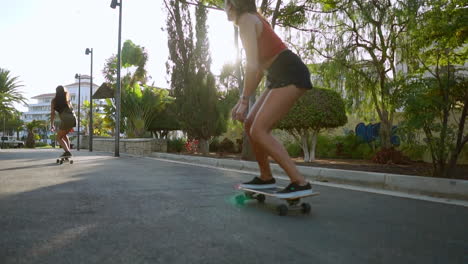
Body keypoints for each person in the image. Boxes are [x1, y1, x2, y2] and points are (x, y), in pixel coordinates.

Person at [225, 0, 314, 198]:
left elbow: (252, 66)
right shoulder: (253, 19)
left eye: (226, 3)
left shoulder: (247, 20)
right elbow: (258, 70)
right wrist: (243, 100)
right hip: (277, 74)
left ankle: (299, 182)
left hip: (289, 72)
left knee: (259, 129)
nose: (225, 7)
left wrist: (245, 100)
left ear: (233, 4)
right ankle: (266, 177)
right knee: (250, 124)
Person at [50, 85, 77, 158]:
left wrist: (52, 124)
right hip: (73, 118)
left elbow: (52, 113)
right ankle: (67, 152)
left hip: (66, 119)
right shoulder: (67, 99)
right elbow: (71, 109)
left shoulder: (54, 100)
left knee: (58, 137)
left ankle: (67, 152)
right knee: (64, 135)